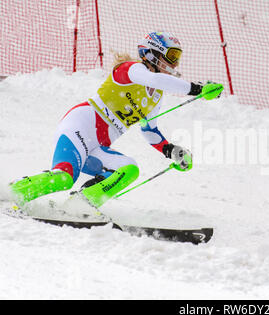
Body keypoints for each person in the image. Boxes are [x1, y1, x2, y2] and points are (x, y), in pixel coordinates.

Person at [9, 31, 223, 208]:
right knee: (64, 178)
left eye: (177, 58)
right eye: (172, 56)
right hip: (80, 127)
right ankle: (11, 194)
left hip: (99, 145)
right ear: (153, 54)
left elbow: (149, 131)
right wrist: (198, 89)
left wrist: (171, 150)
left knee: (129, 169)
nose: (175, 64)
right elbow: (154, 78)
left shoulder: (156, 95)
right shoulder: (131, 69)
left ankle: (81, 205)